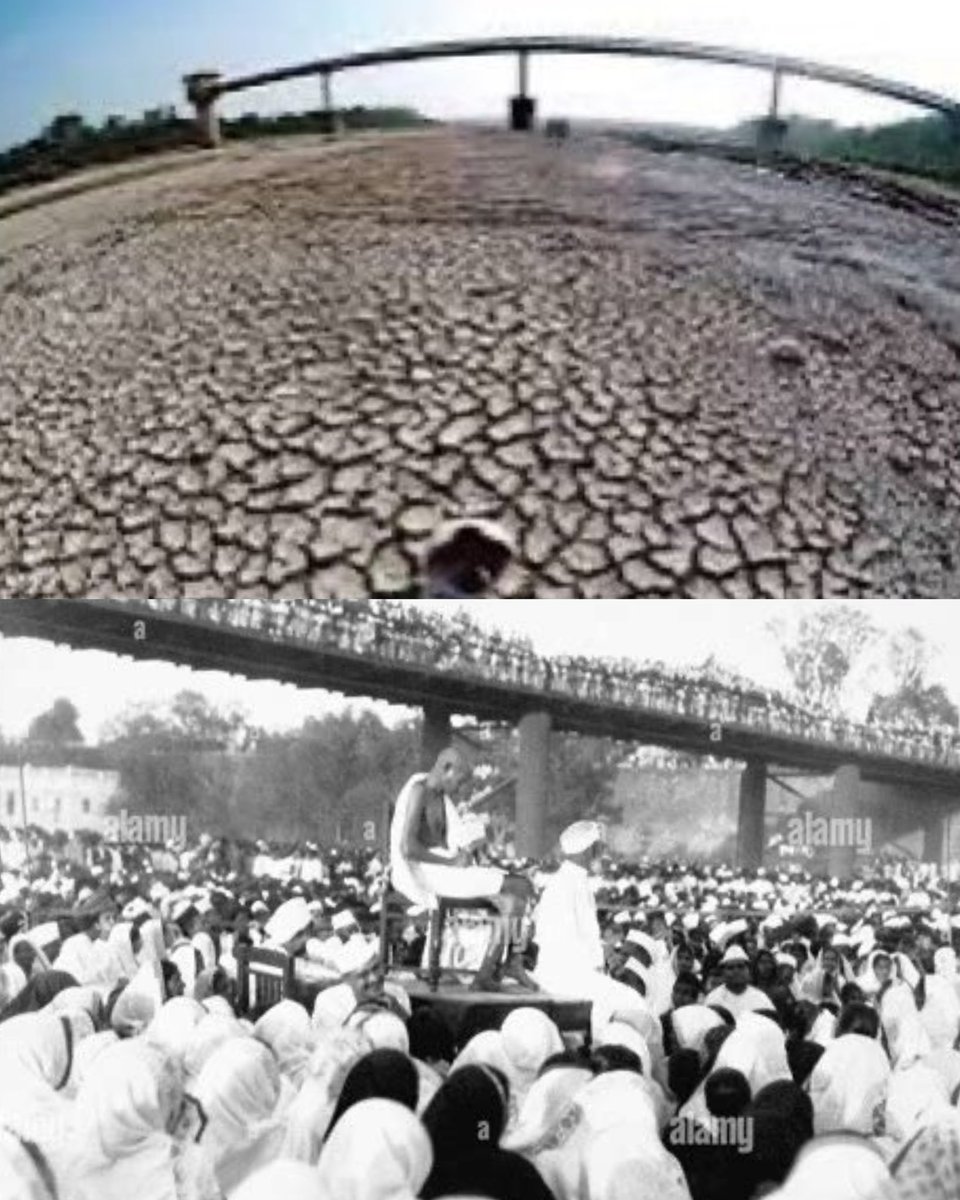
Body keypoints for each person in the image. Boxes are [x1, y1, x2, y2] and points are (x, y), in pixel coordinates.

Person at [390, 747, 534, 991]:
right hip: (428, 872)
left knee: (514, 903)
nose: (459, 788)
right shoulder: (420, 792)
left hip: (446, 868)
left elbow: (451, 841)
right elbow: (407, 848)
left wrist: (471, 841)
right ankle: (506, 964)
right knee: (521, 886)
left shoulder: (441, 799)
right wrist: (451, 862)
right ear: (447, 769)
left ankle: (494, 970)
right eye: (459, 780)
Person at [703, 945, 773, 1018]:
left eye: (740, 966)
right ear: (723, 972)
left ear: (748, 970)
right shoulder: (713, 999)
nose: (736, 971)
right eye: (730, 968)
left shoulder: (761, 998)